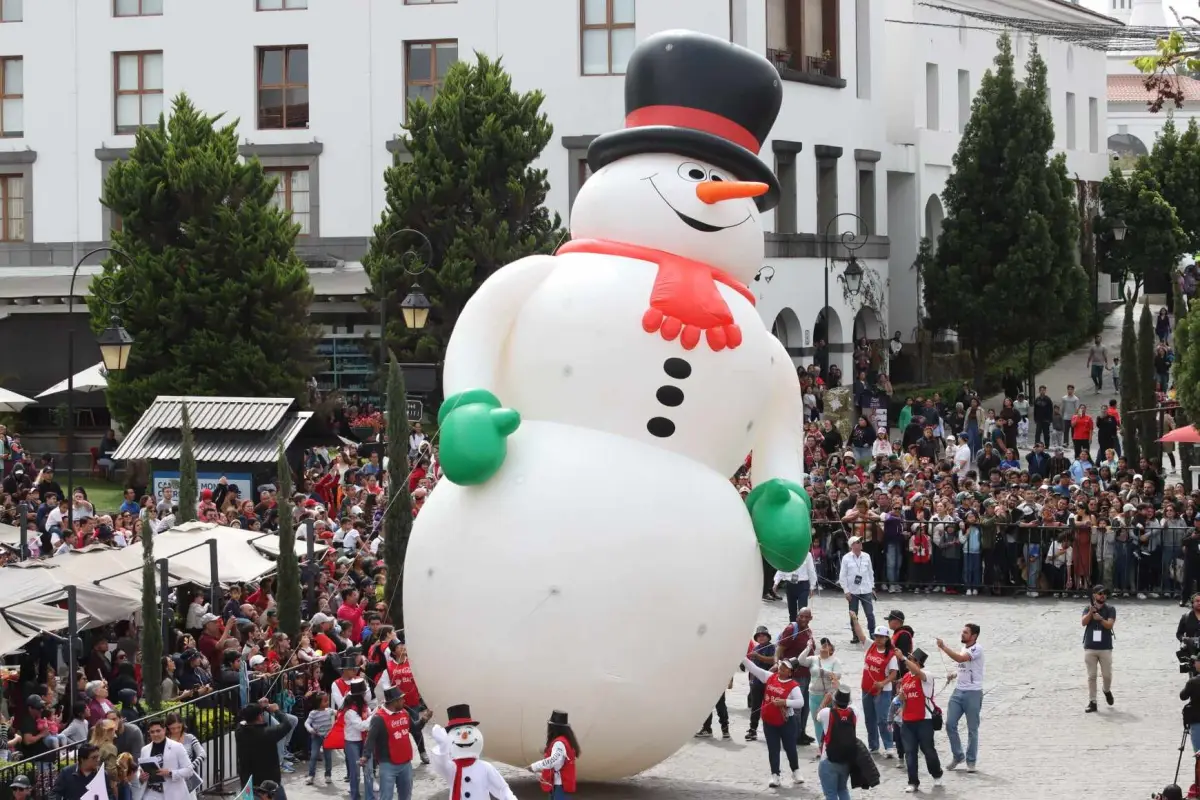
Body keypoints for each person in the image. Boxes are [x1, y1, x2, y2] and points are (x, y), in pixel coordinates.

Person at [742, 652, 806, 788]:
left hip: (786, 722)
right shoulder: (770, 677)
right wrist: (742, 657)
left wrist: (785, 702)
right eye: (781, 665)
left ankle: (796, 771)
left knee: (790, 748)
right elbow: (754, 669)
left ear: (790, 672)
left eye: (785, 667)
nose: (781, 668)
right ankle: (775, 775)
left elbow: (800, 702)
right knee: (773, 748)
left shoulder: (793, 686)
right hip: (769, 721)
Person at [365, 687, 429, 800]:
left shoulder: (404, 713)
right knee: (386, 797)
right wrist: (365, 756)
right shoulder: (378, 718)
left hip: (406, 763)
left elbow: (415, 729)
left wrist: (424, 720)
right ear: (394, 701)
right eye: (401, 699)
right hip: (387, 765)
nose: (404, 701)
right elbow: (370, 739)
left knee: (406, 796)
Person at [937, 622, 984, 772]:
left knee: (972, 729)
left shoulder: (977, 649)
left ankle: (971, 760)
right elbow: (964, 666)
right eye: (962, 632)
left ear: (974, 636)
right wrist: (954, 674)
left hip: (973, 693)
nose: (962, 634)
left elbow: (960, 659)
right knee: (950, 724)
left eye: (965, 632)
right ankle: (958, 755)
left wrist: (944, 647)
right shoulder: (965, 648)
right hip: (958, 691)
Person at [897, 649, 943, 793]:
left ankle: (936, 773)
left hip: (924, 721)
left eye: (911, 659)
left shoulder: (926, 675)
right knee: (910, 752)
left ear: (917, 662)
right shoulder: (905, 678)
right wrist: (901, 700)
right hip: (908, 721)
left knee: (928, 750)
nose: (907, 662)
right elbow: (904, 700)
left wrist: (903, 657)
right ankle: (913, 782)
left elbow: (919, 673)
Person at [235, 700, 293, 800]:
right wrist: (277, 710)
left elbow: (242, 719)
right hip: (270, 786)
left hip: (249, 785)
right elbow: (287, 725)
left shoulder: (240, 732)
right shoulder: (268, 733)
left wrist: (257, 706)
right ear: (260, 716)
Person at [860, 627, 898, 758]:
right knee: (869, 718)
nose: (878, 639)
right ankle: (873, 745)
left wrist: (883, 683)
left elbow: (894, 674)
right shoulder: (871, 646)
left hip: (883, 691)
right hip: (867, 689)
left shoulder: (891, 655)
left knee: (882, 719)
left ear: (887, 638)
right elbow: (861, 636)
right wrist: (854, 620)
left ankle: (888, 745)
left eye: (881, 637)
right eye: (876, 636)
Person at [816, 683, 856, 800]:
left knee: (830, 794)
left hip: (828, 760)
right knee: (843, 789)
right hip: (846, 760)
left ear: (834, 701)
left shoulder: (826, 713)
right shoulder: (854, 712)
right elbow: (852, 704)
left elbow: (817, 716)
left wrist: (825, 701)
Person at [138, 717, 195, 800]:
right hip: (151, 794)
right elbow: (140, 770)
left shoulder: (177, 747)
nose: (155, 734)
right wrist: (141, 777)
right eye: (152, 732)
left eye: (158, 731)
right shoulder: (145, 750)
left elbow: (189, 771)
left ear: (164, 730)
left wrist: (170, 773)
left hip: (173, 794)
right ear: (149, 733)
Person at [529, 710, 581, 799]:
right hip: (563, 785)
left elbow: (553, 760)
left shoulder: (559, 743)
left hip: (559, 786)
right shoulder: (567, 741)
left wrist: (533, 767)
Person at [1082, 584, 1116, 713]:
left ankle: (1106, 690)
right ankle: (1092, 701)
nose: (1103, 596)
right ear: (1094, 595)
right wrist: (1091, 613)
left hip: (1105, 647)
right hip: (1090, 647)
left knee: (1107, 675)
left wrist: (1100, 619)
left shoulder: (1111, 609)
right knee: (1092, 676)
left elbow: (1109, 625)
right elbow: (1083, 622)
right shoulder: (1087, 608)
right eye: (1100, 593)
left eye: (1104, 593)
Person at [839, 536, 876, 640]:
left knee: (870, 613)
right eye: (857, 542)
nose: (860, 543)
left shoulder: (866, 556)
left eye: (860, 542)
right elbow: (842, 576)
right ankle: (855, 635)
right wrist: (846, 591)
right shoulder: (846, 558)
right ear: (852, 545)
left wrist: (872, 587)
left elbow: (870, 572)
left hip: (866, 589)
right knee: (853, 614)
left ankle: (872, 633)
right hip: (853, 590)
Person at [744, 626, 776, 742]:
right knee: (755, 707)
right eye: (759, 636)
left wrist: (758, 656)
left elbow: (773, 660)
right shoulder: (756, 648)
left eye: (763, 635)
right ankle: (753, 729)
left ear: (768, 637)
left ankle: (772, 731)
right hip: (755, 683)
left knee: (770, 707)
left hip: (768, 683)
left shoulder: (772, 647)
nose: (761, 637)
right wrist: (751, 680)